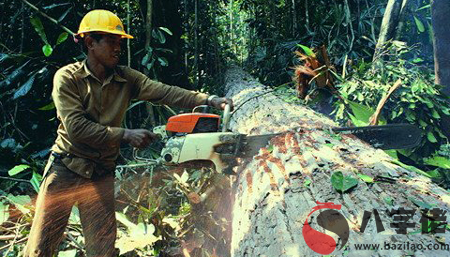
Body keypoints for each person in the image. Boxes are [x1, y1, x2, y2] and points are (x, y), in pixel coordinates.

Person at [23, 9, 233, 257]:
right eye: (112, 41)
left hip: (101, 172)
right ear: (90, 43)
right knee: (41, 248)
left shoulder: (127, 78)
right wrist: (125, 135)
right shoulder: (68, 78)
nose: (117, 47)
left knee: (102, 250)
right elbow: (76, 128)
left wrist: (208, 99)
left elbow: (165, 92)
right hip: (66, 169)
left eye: (120, 42)